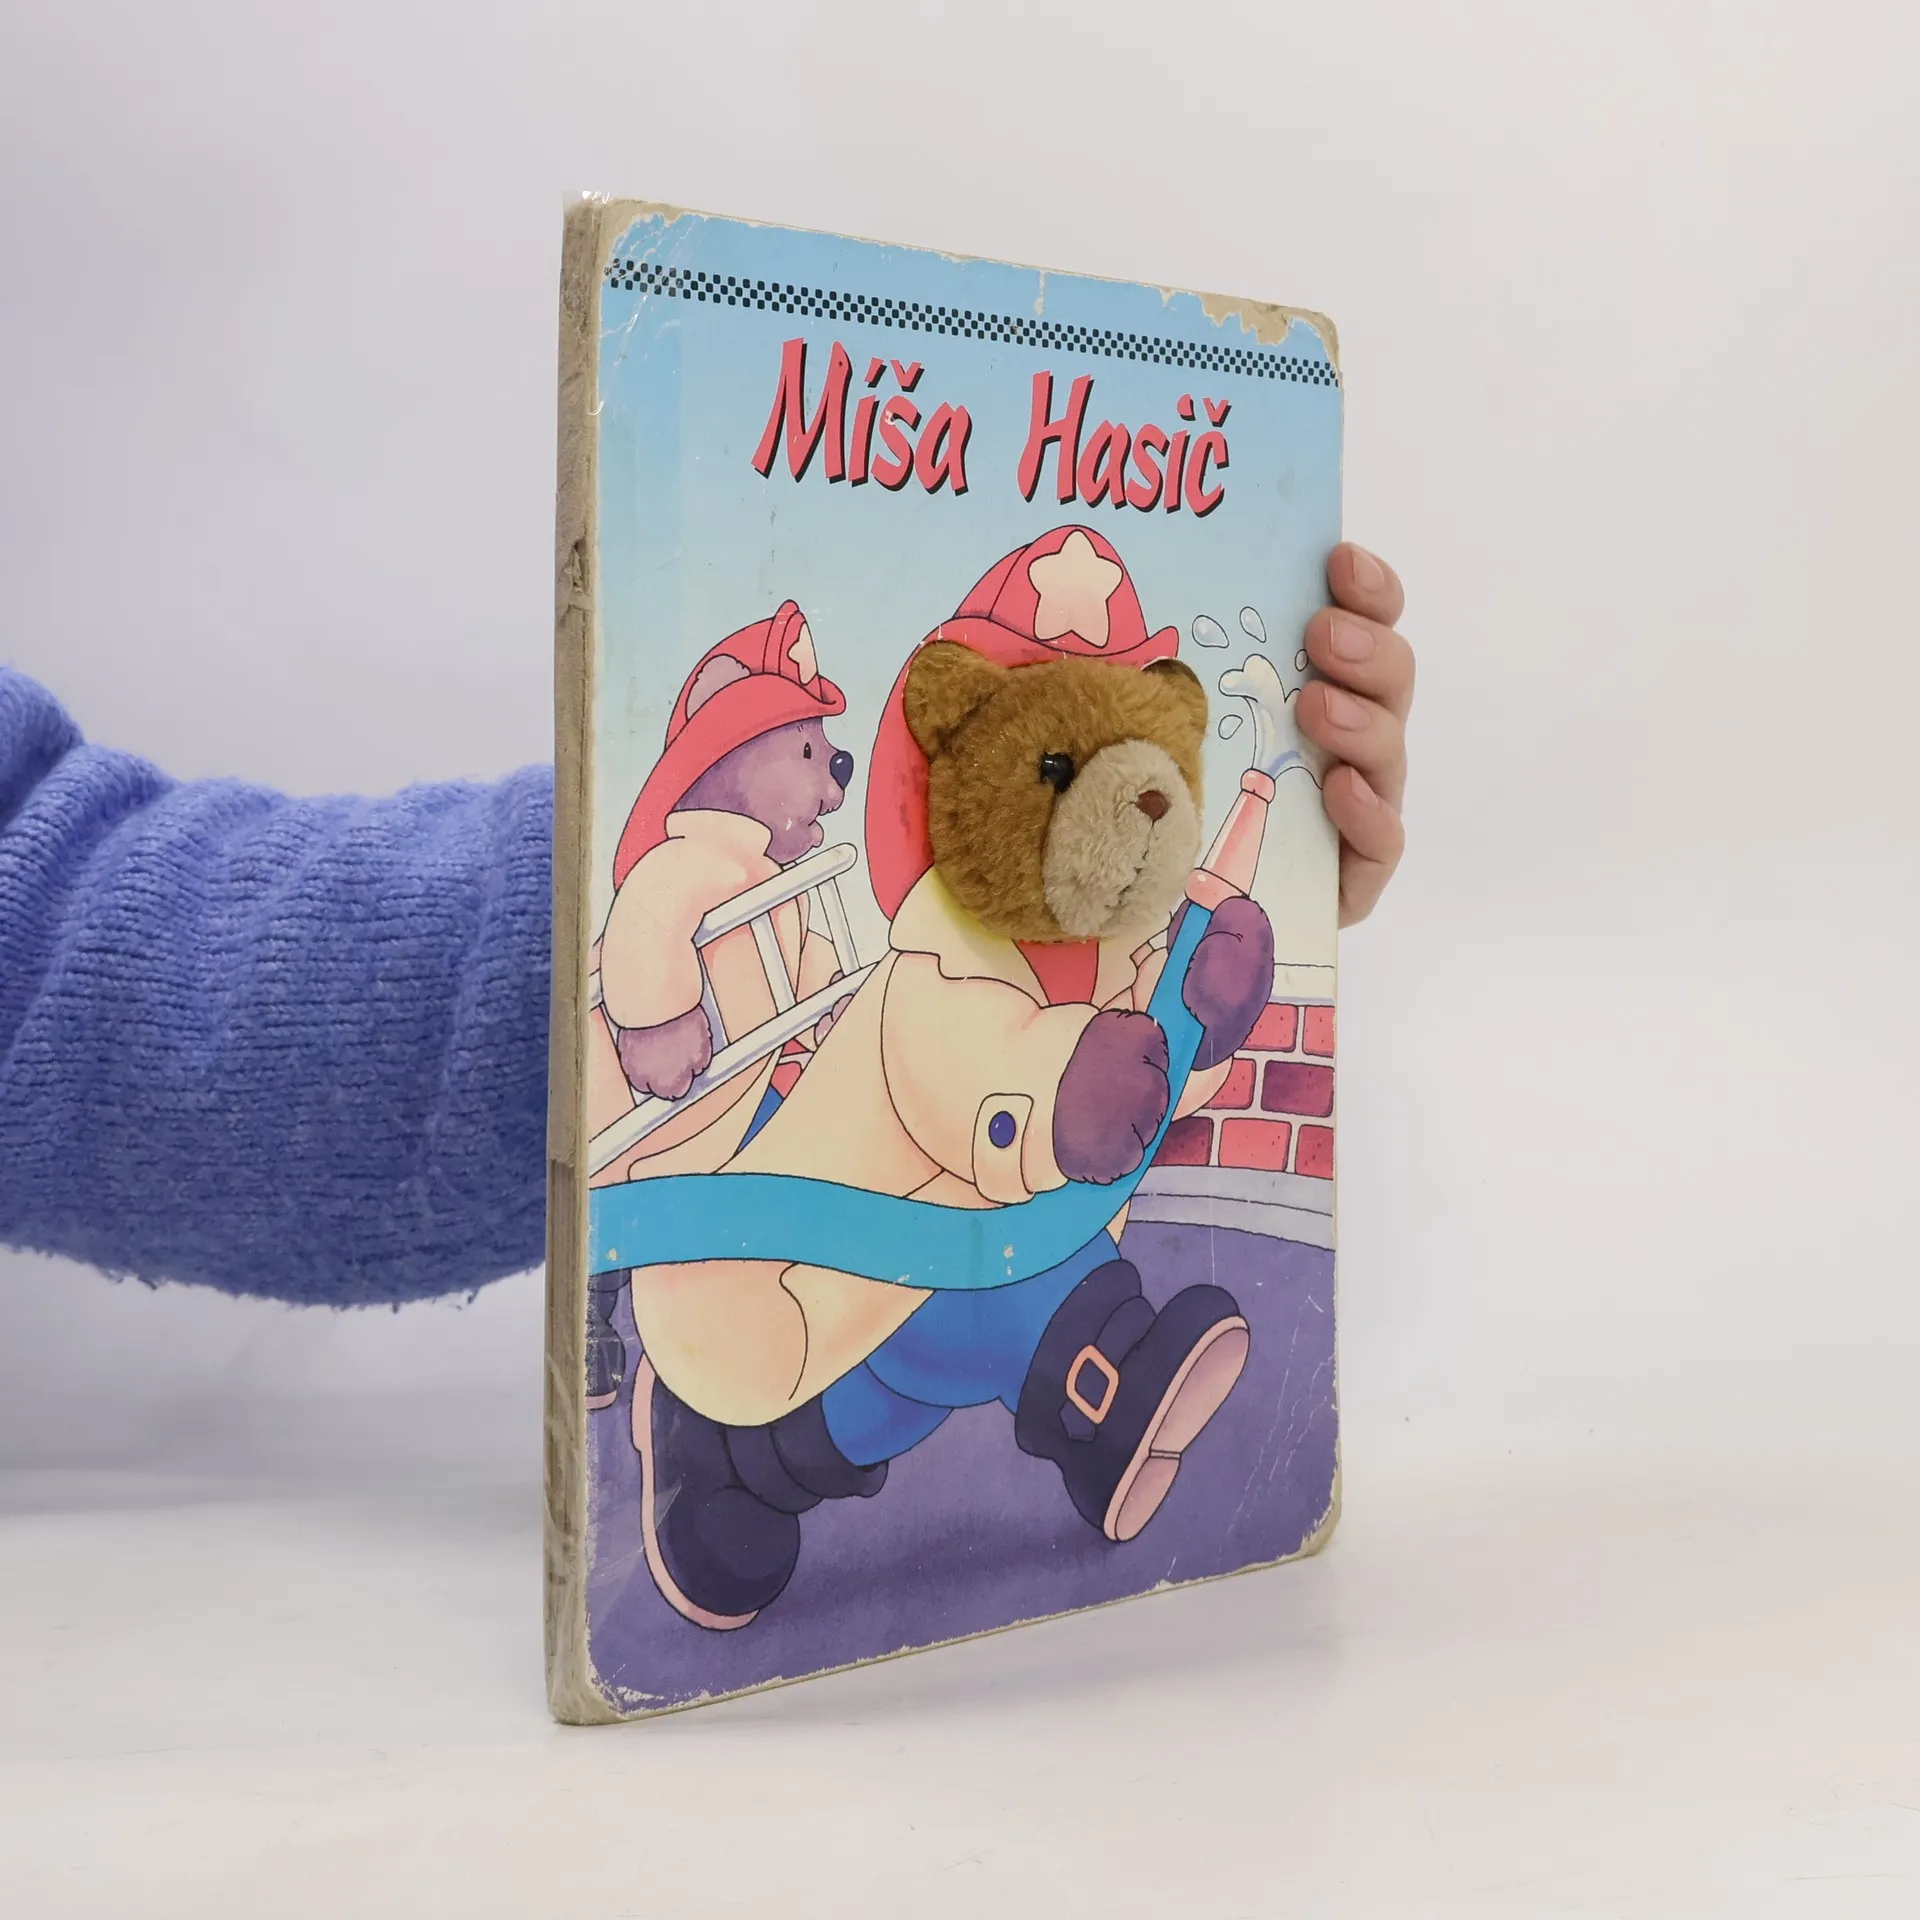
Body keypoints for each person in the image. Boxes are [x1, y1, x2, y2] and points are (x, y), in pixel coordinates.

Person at [0, 546, 1413, 1304]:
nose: (833, 770)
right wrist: (632, 988)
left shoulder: (793, 878)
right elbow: (81, 965)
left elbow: (63, 923)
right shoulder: (702, 873)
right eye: (806, 752)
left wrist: (1246, 868)